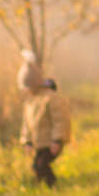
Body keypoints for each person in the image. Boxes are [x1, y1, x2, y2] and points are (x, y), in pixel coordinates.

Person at [18, 48, 71, 188]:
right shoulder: (30, 101)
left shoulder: (50, 98)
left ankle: (53, 187)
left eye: (28, 86)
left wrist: (57, 140)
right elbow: (27, 125)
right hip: (39, 143)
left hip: (50, 143)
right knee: (36, 167)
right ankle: (46, 190)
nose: (26, 90)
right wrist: (27, 142)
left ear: (34, 84)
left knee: (40, 166)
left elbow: (60, 120)